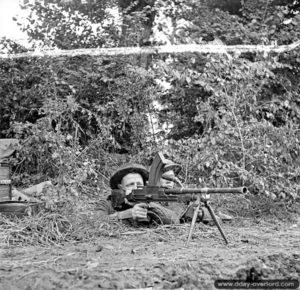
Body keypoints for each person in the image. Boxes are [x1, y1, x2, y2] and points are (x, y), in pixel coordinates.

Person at [96, 163, 181, 225]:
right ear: (120, 187)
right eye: (130, 184)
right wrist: (126, 214)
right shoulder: (109, 202)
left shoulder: (150, 202)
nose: (136, 187)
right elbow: (95, 220)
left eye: (139, 184)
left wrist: (151, 206)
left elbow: (175, 220)